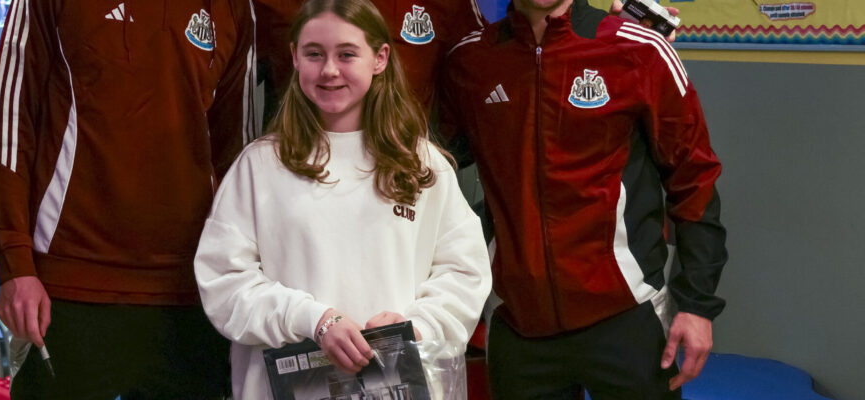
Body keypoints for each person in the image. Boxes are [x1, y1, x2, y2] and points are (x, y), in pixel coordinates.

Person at [193, 0, 492, 398]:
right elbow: (224, 280)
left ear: (380, 58)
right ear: (294, 59)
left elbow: (465, 273)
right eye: (314, 54)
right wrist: (313, 320)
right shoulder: (260, 166)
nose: (329, 70)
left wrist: (416, 325)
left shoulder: (424, 166)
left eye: (347, 54)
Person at [440, 0, 726, 398]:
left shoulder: (639, 49)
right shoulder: (469, 59)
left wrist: (697, 303)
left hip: (628, 316)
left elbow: (694, 179)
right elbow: (427, 164)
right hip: (518, 322)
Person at [0, 0, 257, 398]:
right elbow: (12, 124)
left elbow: (240, 152)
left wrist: (237, 271)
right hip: (70, 281)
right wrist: (14, 262)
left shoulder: (234, 7)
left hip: (190, 292)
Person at [255, 0, 488, 124]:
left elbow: (481, 87)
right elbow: (231, 95)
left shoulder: (450, 5)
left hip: (402, 176)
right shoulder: (263, 6)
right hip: (295, 171)